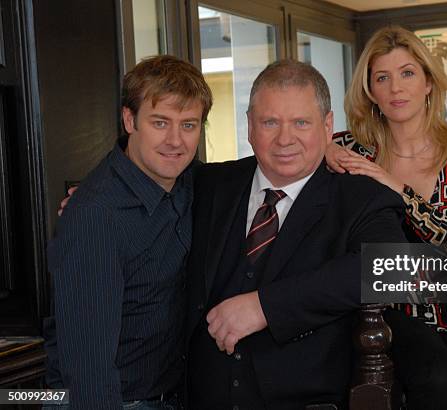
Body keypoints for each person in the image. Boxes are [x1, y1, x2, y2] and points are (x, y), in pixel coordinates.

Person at [184, 59, 407, 409]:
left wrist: (266, 307)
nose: (284, 138)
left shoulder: (361, 198)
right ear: (250, 127)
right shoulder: (209, 184)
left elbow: (391, 267)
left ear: (328, 125)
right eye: (270, 122)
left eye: (301, 122)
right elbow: (152, 174)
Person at [326, 26, 447, 410]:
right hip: (394, 323)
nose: (396, 88)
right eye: (382, 78)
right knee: (437, 386)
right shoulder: (350, 150)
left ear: (428, 82)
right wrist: (321, 149)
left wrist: (396, 188)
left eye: (407, 73)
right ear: (370, 91)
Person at [43, 55, 212, 410]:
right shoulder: (95, 215)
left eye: (189, 125)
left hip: (171, 395)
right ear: (129, 120)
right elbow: (87, 366)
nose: (175, 141)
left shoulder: (192, 182)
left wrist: (325, 149)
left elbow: (260, 168)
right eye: (160, 122)